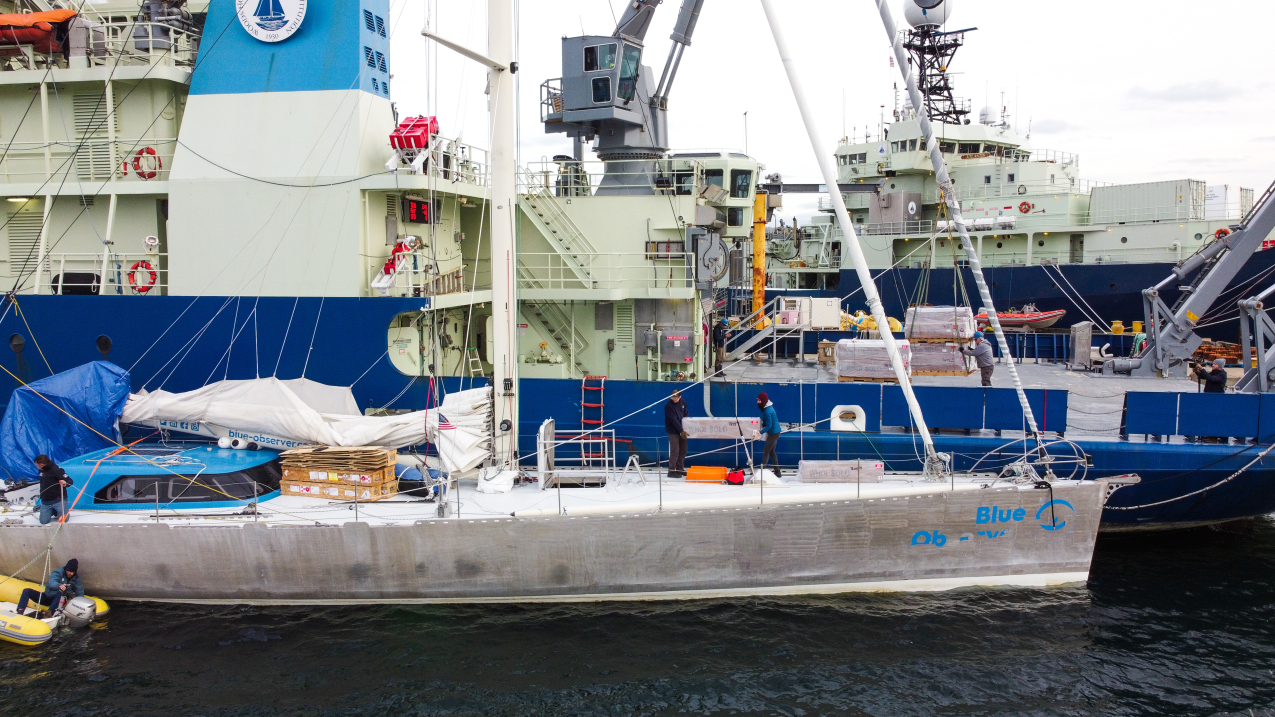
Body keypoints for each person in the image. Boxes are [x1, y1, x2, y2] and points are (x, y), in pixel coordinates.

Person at [16, 558, 82, 617]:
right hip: (47, 597)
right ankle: (20, 612)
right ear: (66, 569)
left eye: (72, 572)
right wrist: (59, 586)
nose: (71, 573)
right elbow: (52, 582)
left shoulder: (76, 578)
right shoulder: (58, 573)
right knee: (27, 591)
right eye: (69, 571)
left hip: (60, 601)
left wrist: (81, 603)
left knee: (59, 593)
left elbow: (79, 590)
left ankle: (49, 614)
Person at [33, 454, 72, 525]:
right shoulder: (41, 470)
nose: (36, 466)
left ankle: (60, 510)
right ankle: (52, 511)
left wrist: (64, 482)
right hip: (46, 500)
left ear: (42, 464)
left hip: (58, 500)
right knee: (43, 521)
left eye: (36, 464)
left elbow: (70, 481)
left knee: (64, 520)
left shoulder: (57, 470)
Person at [664, 389, 689, 478]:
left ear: (680, 397)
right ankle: (671, 470)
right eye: (672, 398)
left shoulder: (683, 402)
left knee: (683, 449)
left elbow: (685, 414)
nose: (674, 399)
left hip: (682, 429)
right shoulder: (668, 406)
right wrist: (681, 431)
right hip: (673, 431)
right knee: (675, 450)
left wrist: (686, 427)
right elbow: (674, 420)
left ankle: (679, 468)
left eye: (676, 398)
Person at [757, 391, 782, 477]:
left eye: (759, 400)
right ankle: (777, 471)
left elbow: (769, 426)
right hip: (775, 432)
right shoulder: (767, 408)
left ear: (763, 401)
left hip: (773, 434)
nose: (757, 402)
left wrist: (759, 433)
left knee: (766, 452)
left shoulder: (767, 411)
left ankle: (762, 472)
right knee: (772, 452)